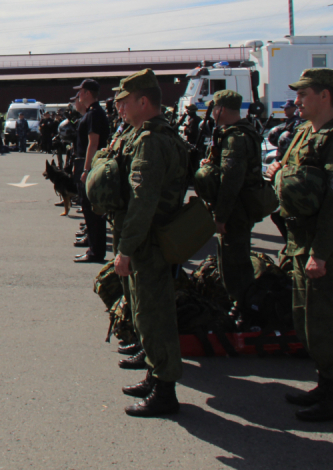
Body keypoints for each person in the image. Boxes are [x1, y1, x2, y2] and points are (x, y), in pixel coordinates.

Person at [266, 68, 333, 422]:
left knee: (326, 321)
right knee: (306, 319)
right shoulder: (305, 133)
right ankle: (325, 384)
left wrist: (320, 254)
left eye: (304, 94)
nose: (297, 101)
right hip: (300, 242)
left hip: (324, 247)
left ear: (325, 96)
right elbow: (290, 175)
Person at [109, 69, 188, 417]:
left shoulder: (152, 141)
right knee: (146, 311)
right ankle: (155, 377)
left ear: (144, 102)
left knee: (155, 316)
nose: (120, 108)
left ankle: (165, 392)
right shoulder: (147, 135)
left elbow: (143, 201)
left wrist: (125, 249)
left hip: (151, 242)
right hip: (149, 240)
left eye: (126, 101)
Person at [200, 90, 263, 303]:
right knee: (236, 259)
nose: (213, 113)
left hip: (237, 210)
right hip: (243, 206)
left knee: (233, 266)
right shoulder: (243, 131)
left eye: (215, 109)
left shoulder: (235, 138)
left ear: (222, 109)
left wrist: (221, 216)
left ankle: (243, 307)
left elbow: (231, 182)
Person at [73, 79, 111, 264]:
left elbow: (93, 143)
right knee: (88, 210)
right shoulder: (91, 113)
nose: (78, 95)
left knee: (92, 210)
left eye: (80, 92)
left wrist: (86, 169)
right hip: (86, 163)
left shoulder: (95, 114)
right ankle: (93, 247)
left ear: (87, 93)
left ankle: (95, 252)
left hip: (90, 164)